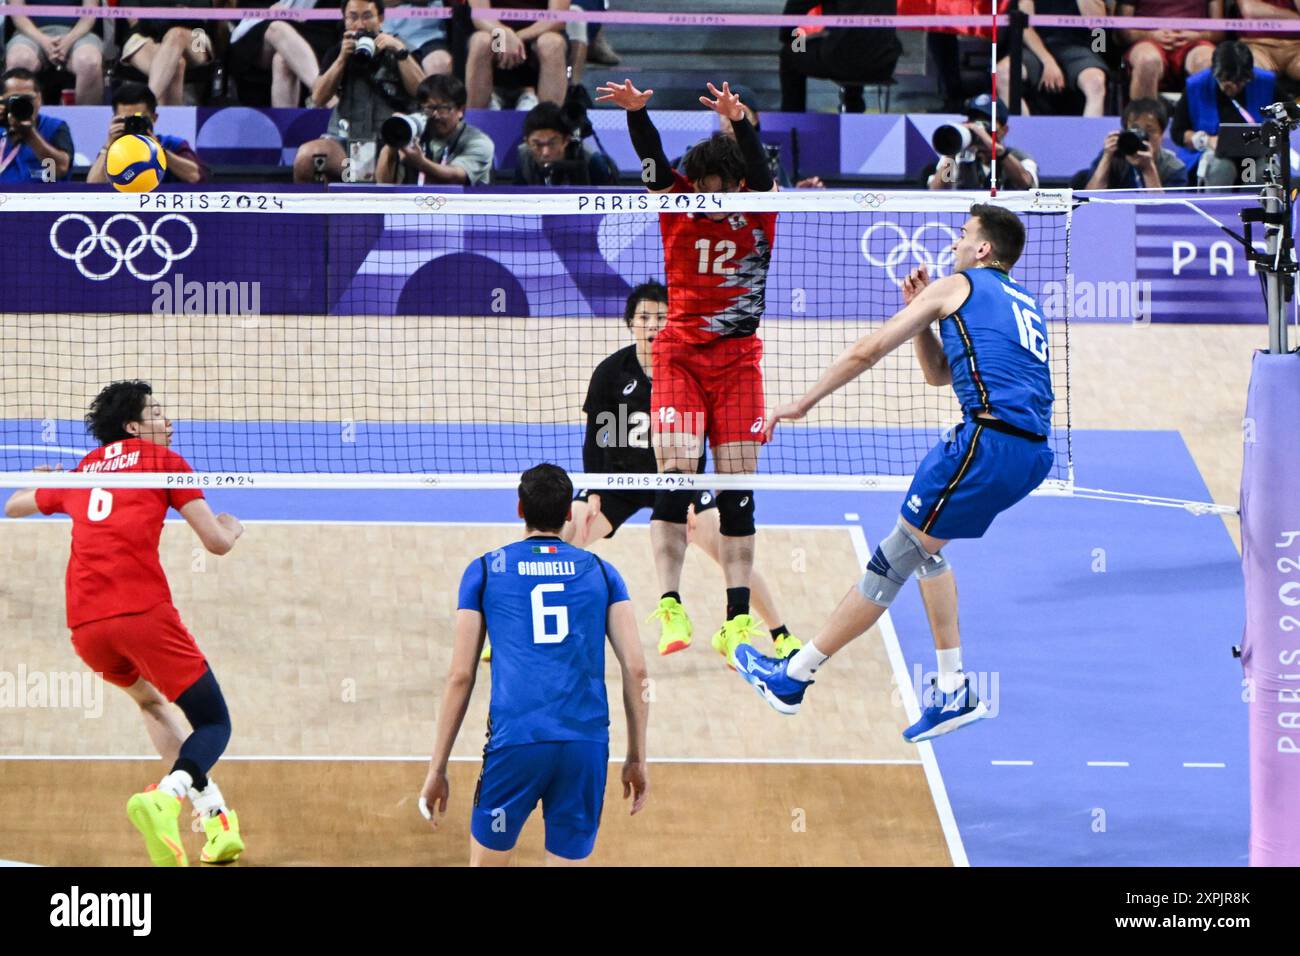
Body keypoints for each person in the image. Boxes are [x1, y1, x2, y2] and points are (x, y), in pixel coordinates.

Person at [737, 206, 1055, 746]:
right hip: (1029, 455)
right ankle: (953, 687)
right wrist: (923, 317)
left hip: (985, 443)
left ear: (982, 250)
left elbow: (867, 350)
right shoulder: (1022, 301)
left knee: (896, 557)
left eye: (963, 236)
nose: (955, 244)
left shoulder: (959, 283)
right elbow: (937, 376)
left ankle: (795, 675)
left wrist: (802, 402)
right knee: (926, 551)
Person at [4, 381, 246, 865]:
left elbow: (13, 505)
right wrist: (232, 525)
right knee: (215, 722)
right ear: (133, 427)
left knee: (151, 704)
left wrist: (55, 481)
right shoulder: (166, 464)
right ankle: (166, 796)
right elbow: (216, 543)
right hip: (142, 614)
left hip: (86, 628)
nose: (169, 422)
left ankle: (214, 817)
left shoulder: (83, 471)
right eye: (158, 414)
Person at [595, 78, 777, 669]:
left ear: (737, 187)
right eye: (698, 190)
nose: (703, 200)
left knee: (737, 490)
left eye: (715, 192)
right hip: (678, 356)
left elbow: (756, 163)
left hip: (738, 361)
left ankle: (736, 619)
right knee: (675, 473)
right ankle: (670, 602)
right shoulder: (675, 201)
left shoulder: (759, 206)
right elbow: (651, 163)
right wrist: (638, 117)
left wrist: (742, 120)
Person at [419, 463, 649, 866]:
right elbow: (637, 671)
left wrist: (437, 768)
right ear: (567, 515)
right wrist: (636, 758)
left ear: (519, 508)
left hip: (516, 745)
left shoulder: (486, 570)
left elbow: (460, 676)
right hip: (584, 745)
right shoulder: (602, 572)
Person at [565, 282, 803, 659]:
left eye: (661, 317)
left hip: (678, 483)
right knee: (565, 534)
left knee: (729, 547)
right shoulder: (611, 374)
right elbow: (596, 438)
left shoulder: (688, 373)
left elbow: (701, 442)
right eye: (644, 317)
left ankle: (779, 633)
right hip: (620, 483)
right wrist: (593, 489)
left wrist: (690, 495)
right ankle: (512, 628)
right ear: (631, 323)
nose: (653, 324)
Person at [293, 0, 427, 184]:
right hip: (347, 145)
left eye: (367, 16)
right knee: (308, 158)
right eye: (353, 17)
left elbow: (422, 93)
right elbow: (318, 98)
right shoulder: (338, 52)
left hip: (389, 144)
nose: (360, 24)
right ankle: (319, 210)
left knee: (387, 167)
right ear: (345, 20)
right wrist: (341, 59)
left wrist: (399, 52)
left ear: (380, 18)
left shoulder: (402, 48)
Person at [1171, 40, 1274, 187]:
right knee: (1222, 168)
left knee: (1265, 170)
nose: (1234, 88)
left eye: (1240, 82)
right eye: (1227, 82)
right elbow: (1178, 132)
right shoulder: (1196, 86)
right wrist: (1206, 140)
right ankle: (1214, 209)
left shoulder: (1265, 82)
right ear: (1215, 74)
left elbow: (1289, 115)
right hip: (1214, 155)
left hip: (1255, 157)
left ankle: (1260, 209)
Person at [778, 0, 902, 113]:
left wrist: (790, 38)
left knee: (789, 54)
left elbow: (795, 8)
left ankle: (792, 124)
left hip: (843, 57)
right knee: (855, 43)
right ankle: (852, 107)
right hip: (884, 62)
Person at [996, 0, 1109, 117]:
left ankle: (1090, 135)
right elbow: (1025, 27)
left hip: (1076, 47)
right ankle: (1024, 133)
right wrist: (1048, 61)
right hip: (1036, 47)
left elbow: (1098, 27)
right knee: (1003, 74)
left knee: (1095, 82)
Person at [376, 73, 494, 184]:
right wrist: (393, 143)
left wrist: (421, 163)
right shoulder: (415, 134)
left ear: (460, 111)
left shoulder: (479, 142)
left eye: (443, 108)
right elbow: (384, 184)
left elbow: (457, 177)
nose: (435, 115)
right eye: (430, 108)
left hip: (462, 204)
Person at [86, 82, 208, 185]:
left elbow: (196, 176)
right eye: (127, 119)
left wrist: (159, 150)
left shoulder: (172, 144)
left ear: (154, 118)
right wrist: (107, 146)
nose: (134, 124)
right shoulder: (113, 150)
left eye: (139, 119)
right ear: (115, 119)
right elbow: (92, 187)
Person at [465, 0, 569, 109]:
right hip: (498, 35)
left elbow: (557, 17)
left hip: (537, 35)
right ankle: (475, 120)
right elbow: (481, 15)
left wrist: (516, 38)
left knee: (551, 43)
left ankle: (550, 121)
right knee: (481, 41)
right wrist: (504, 33)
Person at [926, 94, 1038, 191]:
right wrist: (952, 150)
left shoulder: (1020, 157)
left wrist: (999, 151)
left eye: (986, 122)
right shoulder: (958, 158)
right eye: (973, 120)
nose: (978, 127)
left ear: (1004, 130)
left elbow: (1026, 183)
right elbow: (937, 190)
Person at [4, 0, 105, 106]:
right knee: (19, 60)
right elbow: (18, 16)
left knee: (89, 62)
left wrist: (67, 41)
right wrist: (44, 41)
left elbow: (89, 16)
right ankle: (23, 118)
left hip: (78, 33)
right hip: (30, 33)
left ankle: (87, 120)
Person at [1117, 0, 1222, 101]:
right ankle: (1143, 117)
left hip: (1195, 41)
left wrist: (1197, 36)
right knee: (1147, 61)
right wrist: (1150, 35)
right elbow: (1122, 33)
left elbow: (1219, 32)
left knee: (1205, 61)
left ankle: (1205, 118)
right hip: (1148, 41)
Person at [117, 0, 216, 106]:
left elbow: (202, 16)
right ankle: (170, 121)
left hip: (196, 35)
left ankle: (146, 106)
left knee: (175, 35)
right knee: (175, 64)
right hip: (142, 36)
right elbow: (133, 19)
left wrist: (163, 15)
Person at [227, 0, 324, 108]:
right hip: (256, 31)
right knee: (277, 29)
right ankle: (329, 98)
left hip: (311, 32)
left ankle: (286, 124)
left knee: (282, 60)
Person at [1080, 97, 1187, 190]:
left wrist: (1148, 169)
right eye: (1135, 129)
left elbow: (1167, 210)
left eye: (1150, 130)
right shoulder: (1113, 156)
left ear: (1161, 135)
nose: (1142, 136)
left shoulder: (1173, 168)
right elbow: (1090, 201)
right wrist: (1106, 157)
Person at [513, 101, 616, 185]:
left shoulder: (591, 160)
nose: (545, 152)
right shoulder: (524, 156)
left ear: (566, 140)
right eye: (537, 144)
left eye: (552, 143)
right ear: (527, 142)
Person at [0, 67, 73, 183]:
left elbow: (61, 169)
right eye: (14, 99)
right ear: (2, 101)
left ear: (39, 98)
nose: (22, 104)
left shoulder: (55, 127)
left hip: (43, 199)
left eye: (27, 98)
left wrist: (30, 134)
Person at [386, 0, 454, 77]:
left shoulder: (440, 6)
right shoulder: (392, 13)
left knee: (437, 63)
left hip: (430, 42)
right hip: (399, 45)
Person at [1240, 0, 1300, 83]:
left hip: (1296, 46)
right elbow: (1251, 10)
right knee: (1255, 75)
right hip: (1258, 46)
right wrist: (1295, 18)